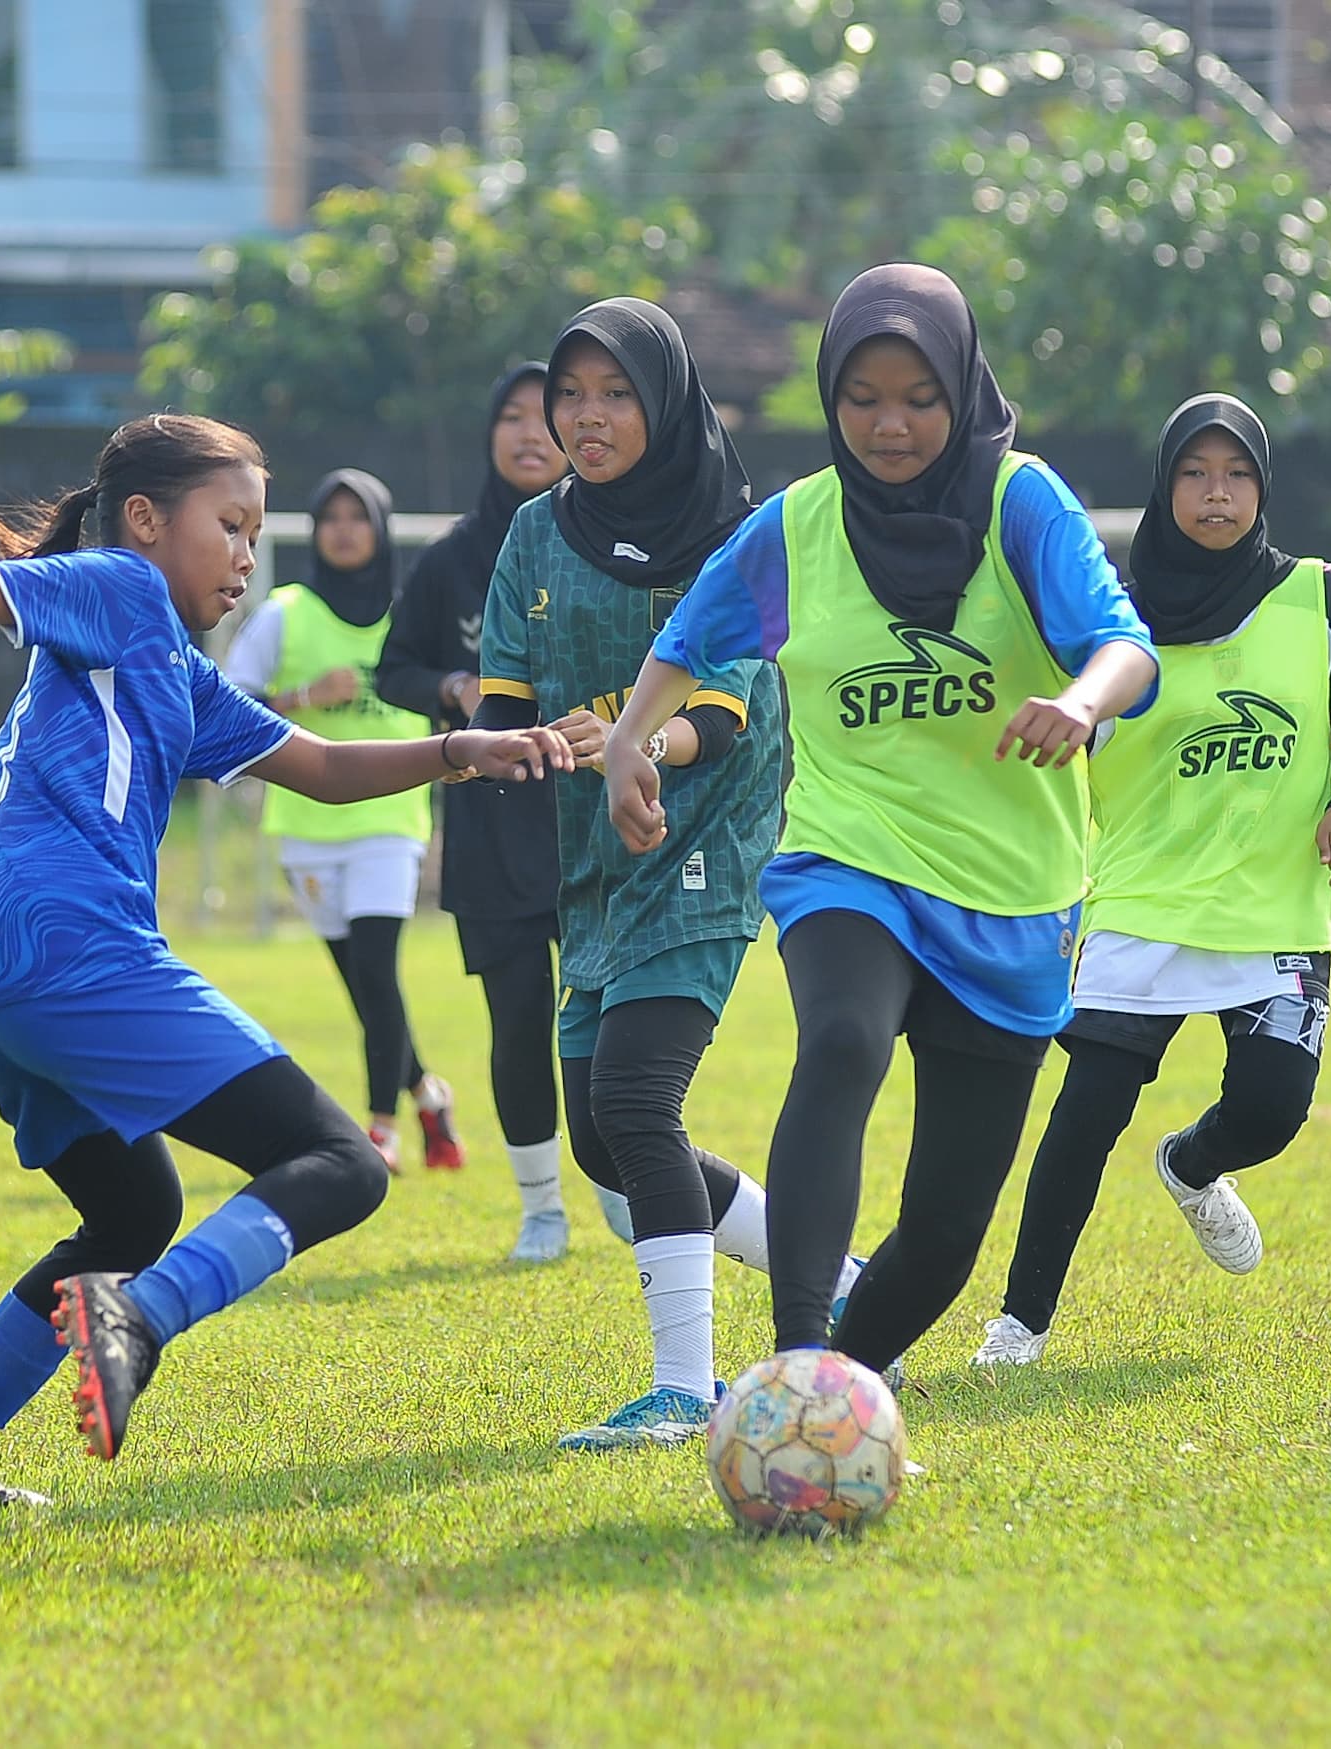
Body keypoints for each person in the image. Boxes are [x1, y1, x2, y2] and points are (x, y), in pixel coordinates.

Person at [0, 413, 570, 1507]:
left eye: (252, 532)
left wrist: (461, 751)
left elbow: (319, 765)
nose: (244, 554)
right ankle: (140, 1317)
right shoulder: (121, 588)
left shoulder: (173, 670)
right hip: (70, 944)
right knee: (342, 1162)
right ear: (144, 521)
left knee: (131, 1218)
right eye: (229, 525)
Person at [602, 264, 1158, 1383]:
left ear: (961, 388)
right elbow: (694, 637)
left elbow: (1125, 645)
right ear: (827, 397)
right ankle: (794, 1358)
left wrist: (1080, 702)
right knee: (843, 1038)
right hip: (846, 855)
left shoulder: (1020, 502)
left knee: (947, 1236)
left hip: (1012, 888)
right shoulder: (796, 529)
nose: (889, 424)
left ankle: (837, 1382)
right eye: (861, 398)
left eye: (917, 397)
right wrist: (626, 742)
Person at [471, 299, 825, 1451]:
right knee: (596, 1140)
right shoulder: (533, 533)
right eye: (568, 395)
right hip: (593, 859)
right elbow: (505, 699)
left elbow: (720, 708)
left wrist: (632, 743)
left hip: (707, 839)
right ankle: (851, 1287)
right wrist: (516, 746)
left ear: (664, 401)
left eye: (615, 393)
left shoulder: (737, 532)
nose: (586, 416)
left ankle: (686, 1390)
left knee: (635, 1102)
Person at [978, 394, 1331, 1369]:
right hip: (1142, 899)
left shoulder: (1323, 598)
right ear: (1163, 489)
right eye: (1194, 474)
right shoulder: (1109, 618)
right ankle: (1018, 1324)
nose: (1216, 493)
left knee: (1271, 1108)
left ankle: (1193, 1164)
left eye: (1235, 474)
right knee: (1083, 1119)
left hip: (1274, 904)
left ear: (1261, 487)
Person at [380, 364, 633, 1260]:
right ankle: (539, 1208)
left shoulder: (613, 542)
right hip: (493, 821)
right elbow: (395, 665)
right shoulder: (451, 557)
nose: (533, 432)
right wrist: (451, 684)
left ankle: (615, 1183)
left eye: (551, 413)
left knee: (609, 1025)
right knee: (517, 1017)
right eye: (513, 416)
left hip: (595, 821)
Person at [225, 469, 460, 1174]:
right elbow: (228, 699)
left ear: (382, 528)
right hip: (305, 821)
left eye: (358, 517)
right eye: (330, 517)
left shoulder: (413, 615)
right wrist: (300, 695)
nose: (343, 529)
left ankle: (380, 1126)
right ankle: (428, 1092)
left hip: (390, 818)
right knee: (362, 982)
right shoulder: (285, 611)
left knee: (378, 970)